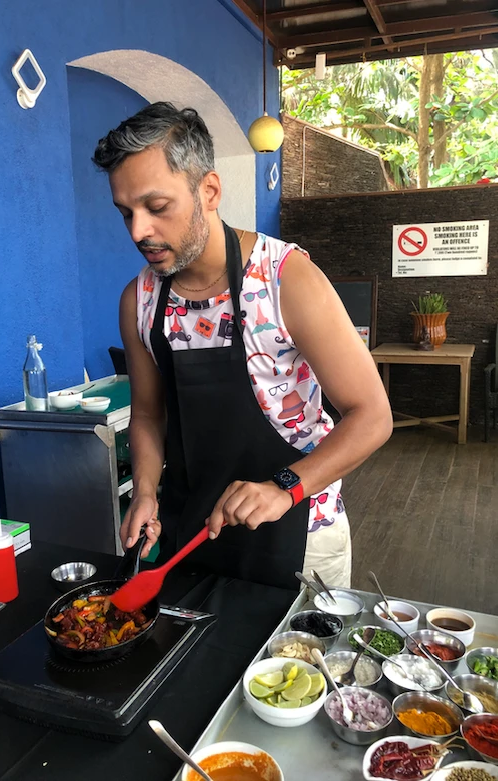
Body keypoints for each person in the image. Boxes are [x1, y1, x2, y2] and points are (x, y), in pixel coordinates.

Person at [93, 102, 392, 590]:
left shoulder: (286, 279)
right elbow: (148, 414)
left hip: (299, 528)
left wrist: (283, 488)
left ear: (209, 190)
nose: (138, 231)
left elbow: (373, 416)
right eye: (126, 212)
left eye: (157, 207)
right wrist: (146, 492)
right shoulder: (140, 300)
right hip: (193, 530)